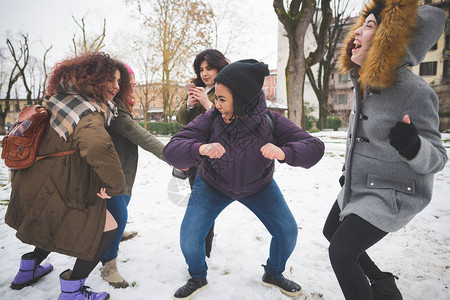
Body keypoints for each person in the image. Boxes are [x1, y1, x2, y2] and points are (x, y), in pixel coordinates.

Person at [164, 59, 325, 299]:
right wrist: (199, 148)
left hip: (259, 186)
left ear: (242, 99)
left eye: (221, 99)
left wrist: (284, 152)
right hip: (213, 184)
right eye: (215, 98)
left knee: (287, 230)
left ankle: (274, 273)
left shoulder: (271, 121)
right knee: (190, 235)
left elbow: (314, 147)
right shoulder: (211, 119)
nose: (215, 104)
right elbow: (172, 148)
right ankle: (197, 276)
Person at [322, 1, 447, 299]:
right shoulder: (361, 80)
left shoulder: (414, 91)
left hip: (393, 192)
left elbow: (439, 158)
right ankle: (384, 286)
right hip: (360, 184)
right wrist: (348, 171)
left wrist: (414, 147)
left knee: (341, 252)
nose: (358, 31)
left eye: (370, 25)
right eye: (362, 23)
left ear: (390, 38)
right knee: (331, 231)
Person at [5, 51, 131, 300]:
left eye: (120, 81)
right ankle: (73, 289)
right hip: (65, 185)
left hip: (39, 180)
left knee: (52, 221)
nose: (117, 87)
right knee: (108, 228)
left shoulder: (57, 98)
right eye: (111, 80)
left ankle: (27, 270)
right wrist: (116, 186)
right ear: (95, 79)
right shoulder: (87, 111)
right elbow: (97, 147)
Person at [100, 63, 167, 288]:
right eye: (129, 79)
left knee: (122, 208)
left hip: (124, 170)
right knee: (117, 218)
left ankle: (118, 233)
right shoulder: (115, 110)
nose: (132, 83)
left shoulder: (121, 105)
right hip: (110, 174)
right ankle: (109, 267)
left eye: (126, 80)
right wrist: (171, 155)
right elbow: (143, 137)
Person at [175, 49, 230, 258]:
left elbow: (226, 119)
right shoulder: (196, 87)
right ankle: (202, 248)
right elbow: (181, 119)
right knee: (199, 203)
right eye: (201, 69)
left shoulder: (227, 87)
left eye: (209, 68)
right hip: (196, 156)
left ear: (219, 67)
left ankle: (203, 248)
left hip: (218, 155)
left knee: (206, 204)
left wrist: (208, 104)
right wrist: (190, 103)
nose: (205, 73)